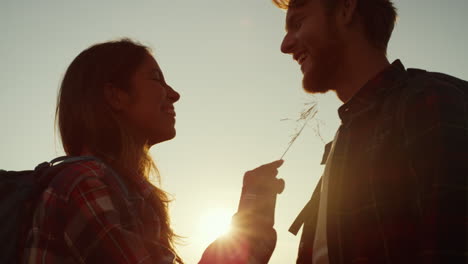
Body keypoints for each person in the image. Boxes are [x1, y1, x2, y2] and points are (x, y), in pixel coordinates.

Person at [21, 39, 285, 264]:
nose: (174, 94)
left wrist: (252, 212)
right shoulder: (84, 183)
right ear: (116, 96)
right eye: (156, 78)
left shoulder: (114, 187)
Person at [271, 0, 467, 263]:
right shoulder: (343, 141)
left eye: (298, 23)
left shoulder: (431, 102)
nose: (285, 46)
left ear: (345, 9)